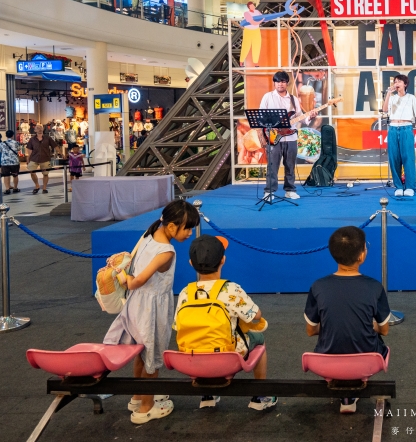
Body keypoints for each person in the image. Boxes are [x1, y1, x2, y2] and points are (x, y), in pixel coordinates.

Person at [104, 199, 200, 424]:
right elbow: (137, 281)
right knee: (152, 359)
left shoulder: (149, 235)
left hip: (135, 306)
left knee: (140, 352)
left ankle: (138, 397)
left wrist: (125, 277)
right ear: (172, 226)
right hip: (151, 310)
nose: (189, 233)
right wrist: (124, 278)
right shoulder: (167, 251)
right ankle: (146, 408)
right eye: (187, 228)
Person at [175, 235, 276, 412]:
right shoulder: (231, 289)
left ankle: (207, 396)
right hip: (228, 355)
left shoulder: (185, 292)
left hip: (191, 357)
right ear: (223, 260)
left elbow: (177, 326)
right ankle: (260, 396)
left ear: (191, 263)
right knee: (259, 339)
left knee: (201, 342)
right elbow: (256, 315)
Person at [304, 226, 391, 414]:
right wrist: (370, 325)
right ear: (362, 255)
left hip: (326, 361)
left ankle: (346, 393)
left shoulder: (318, 286)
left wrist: (329, 325)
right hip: (368, 359)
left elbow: (311, 330)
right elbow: (384, 330)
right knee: (378, 342)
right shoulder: (374, 287)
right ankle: (353, 387)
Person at [260, 71, 317, 201]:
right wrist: (270, 126)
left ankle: (290, 190)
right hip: (273, 137)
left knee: (290, 165)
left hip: (291, 138)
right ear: (274, 83)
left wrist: (310, 117)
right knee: (272, 166)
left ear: (287, 83)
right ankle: (269, 192)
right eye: (278, 81)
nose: (280, 84)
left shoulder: (293, 99)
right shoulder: (267, 97)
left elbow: (300, 118)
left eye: (283, 81)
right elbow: (261, 116)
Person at [383, 74, 416, 197]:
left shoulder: (411, 97)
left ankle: (410, 186)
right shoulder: (392, 97)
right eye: (395, 81)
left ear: (405, 84)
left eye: (399, 81)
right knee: (394, 158)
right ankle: (398, 187)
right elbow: (385, 110)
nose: (396, 83)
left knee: (408, 157)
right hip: (393, 128)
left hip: (406, 128)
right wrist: (388, 94)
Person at [26, 124, 58, 194]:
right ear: (35, 130)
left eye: (41, 128)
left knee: (45, 173)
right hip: (34, 158)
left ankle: (44, 188)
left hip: (45, 158)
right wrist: (28, 158)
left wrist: (61, 153)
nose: (39, 129)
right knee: (31, 171)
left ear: (43, 129)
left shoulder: (47, 138)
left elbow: (55, 145)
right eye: (37, 128)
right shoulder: (32, 139)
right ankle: (37, 185)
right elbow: (29, 149)